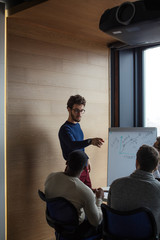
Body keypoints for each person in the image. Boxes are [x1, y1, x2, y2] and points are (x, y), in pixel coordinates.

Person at [45, 150, 104, 238]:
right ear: (85, 169)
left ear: (67, 162)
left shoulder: (50, 177)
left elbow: (66, 192)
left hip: (58, 224)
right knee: (104, 221)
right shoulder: (85, 191)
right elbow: (96, 222)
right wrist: (98, 199)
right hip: (77, 230)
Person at [107, 144, 160, 235]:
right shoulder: (158, 189)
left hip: (118, 235)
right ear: (156, 167)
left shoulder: (115, 184)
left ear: (136, 162)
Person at [58, 94, 104, 188]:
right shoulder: (65, 129)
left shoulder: (77, 126)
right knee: (76, 199)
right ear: (69, 109)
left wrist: (86, 158)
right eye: (76, 110)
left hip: (83, 166)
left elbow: (79, 146)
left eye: (82, 110)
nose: (79, 114)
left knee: (89, 194)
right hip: (74, 169)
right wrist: (90, 141)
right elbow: (73, 145)